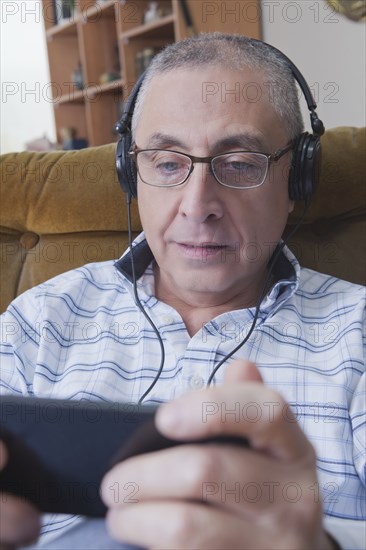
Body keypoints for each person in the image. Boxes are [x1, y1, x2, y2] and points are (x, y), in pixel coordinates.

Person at [0, 33, 365, 550]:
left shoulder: (360, 334)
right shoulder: (36, 323)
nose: (198, 205)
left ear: (297, 179)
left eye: (240, 163)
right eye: (168, 163)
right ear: (132, 174)